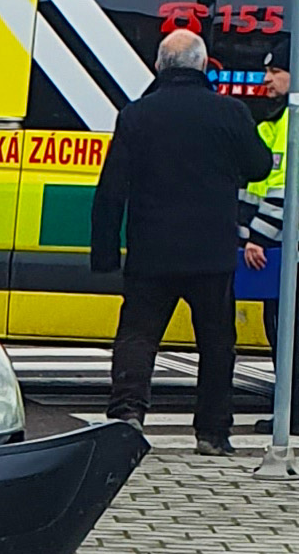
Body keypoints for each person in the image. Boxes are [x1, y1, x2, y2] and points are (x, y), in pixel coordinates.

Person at [92, 27, 273, 455]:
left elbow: (111, 189)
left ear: (159, 66)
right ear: (203, 66)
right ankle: (212, 433)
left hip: (151, 251)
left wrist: (104, 254)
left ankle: (127, 415)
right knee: (216, 343)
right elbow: (260, 166)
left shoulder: (137, 115)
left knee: (138, 335)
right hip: (211, 252)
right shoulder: (229, 113)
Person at [241, 38, 289, 411]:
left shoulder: (292, 120)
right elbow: (254, 187)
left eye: (275, 72)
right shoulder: (271, 121)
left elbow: (285, 189)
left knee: (288, 328)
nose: (266, 80)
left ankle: (291, 414)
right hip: (273, 245)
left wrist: (256, 236)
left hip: (283, 245)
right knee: (277, 326)